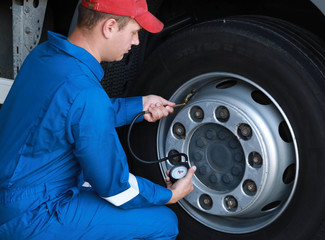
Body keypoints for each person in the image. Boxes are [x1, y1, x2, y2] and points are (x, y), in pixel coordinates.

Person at [0, 0, 196, 239]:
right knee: (164, 222)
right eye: (134, 32)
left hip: (14, 191)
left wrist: (139, 105)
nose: (136, 41)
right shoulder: (87, 95)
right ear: (110, 27)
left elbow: (70, 112)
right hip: (33, 215)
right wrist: (169, 195)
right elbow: (115, 187)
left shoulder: (44, 55)